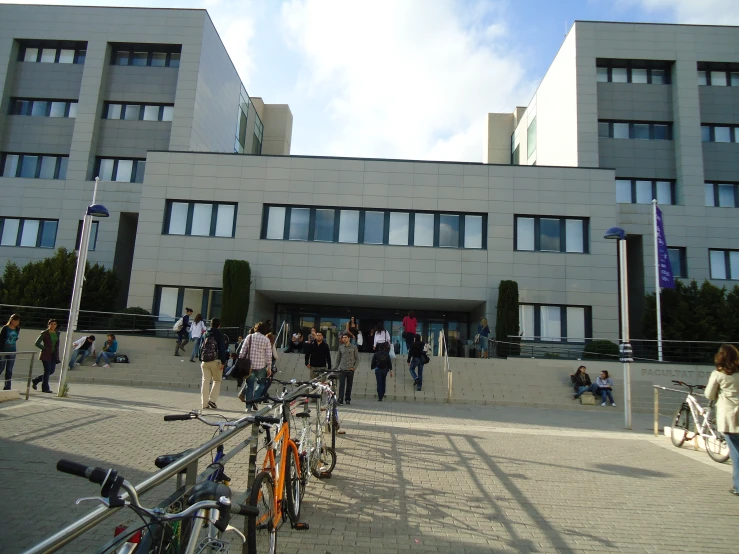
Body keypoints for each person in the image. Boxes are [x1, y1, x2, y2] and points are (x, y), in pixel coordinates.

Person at [704, 344, 739, 497]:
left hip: (729, 417)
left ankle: (738, 486)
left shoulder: (718, 374)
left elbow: (709, 394)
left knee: (736, 452)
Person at [238, 322, 273, 410]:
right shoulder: (266, 340)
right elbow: (269, 355)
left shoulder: (249, 337)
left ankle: (248, 407)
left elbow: (242, 351)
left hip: (249, 366)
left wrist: (241, 360)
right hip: (261, 366)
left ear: (255, 328)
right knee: (261, 384)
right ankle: (255, 400)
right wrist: (269, 367)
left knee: (249, 386)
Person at [199, 317, 228, 409]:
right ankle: (212, 400)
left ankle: (204, 404)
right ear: (219, 325)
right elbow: (222, 349)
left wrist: (201, 358)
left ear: (210, 324)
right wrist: (223, 362)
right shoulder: (220, 334)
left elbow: (200, 347)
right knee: (217, 380)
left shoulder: (205, 333)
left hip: (205, 361)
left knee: (205, 382)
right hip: (216, 361)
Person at [31, 319, 60, 394]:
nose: (53, 326)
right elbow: (37, 343)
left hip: (54, 354)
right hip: (46, 354)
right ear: (48, 324)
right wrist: (44, 348)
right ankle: (45, 388)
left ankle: (36, 380)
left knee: (51, 371)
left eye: (54, 324)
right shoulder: (44, 333)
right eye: (51, 324)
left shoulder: (57, 333)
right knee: (47, 370)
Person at [335, 332, 358, 405]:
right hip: (342, 369)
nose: (344, 339)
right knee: (341, 385)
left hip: (350, 369)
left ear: (349, 338)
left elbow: (357, 358)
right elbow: (338, 359)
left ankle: (348, 399)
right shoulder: (341, 347)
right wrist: (335, 367)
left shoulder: (354, 347)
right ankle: (340, 399)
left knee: (349, 385)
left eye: (345, 337)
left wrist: (354, 367)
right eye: (343, 338)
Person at [0, 314, 20, 390]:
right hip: (3, 351)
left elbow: (16, 338)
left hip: (12, 351)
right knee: (1, 368)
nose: (16, 322)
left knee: (9, 370)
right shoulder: (5, 328)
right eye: (15, 320)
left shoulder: (17, 329)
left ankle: (7, 386)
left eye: (18, 321)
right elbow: (1, 339)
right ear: (11, 320)